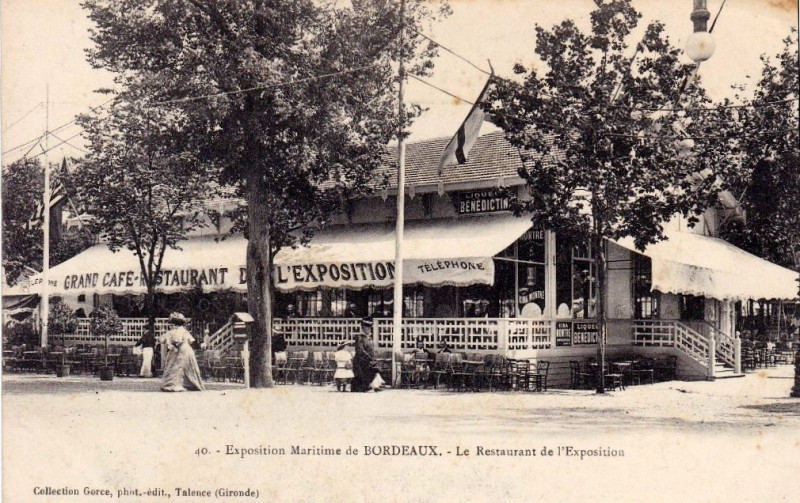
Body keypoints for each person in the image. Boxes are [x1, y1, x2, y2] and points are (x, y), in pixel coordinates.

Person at [160, 312, 205, 392]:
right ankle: (187, 384)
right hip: (187, 348)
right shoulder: (183, 330)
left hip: (181, 349)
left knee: (178, 366)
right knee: (184, 367)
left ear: (175, 324)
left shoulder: (179, 330)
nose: (171, 326)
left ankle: (175, 385)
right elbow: (191, 341)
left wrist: (173, 345)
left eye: (172, 324)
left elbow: (177, 340)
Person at [350, 317, 384, 392]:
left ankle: (375, 386)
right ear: (363, 328)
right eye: (367, 328)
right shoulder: (359, 337)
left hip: (368, 360)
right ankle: (365, 387)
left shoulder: (369, 338)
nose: (369, 330)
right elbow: (360, 350)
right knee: (362, 375)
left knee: (374, 370)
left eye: (370, 328)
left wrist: (374, 356)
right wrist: (369, 357)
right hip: (361, 360)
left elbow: (371, 349)